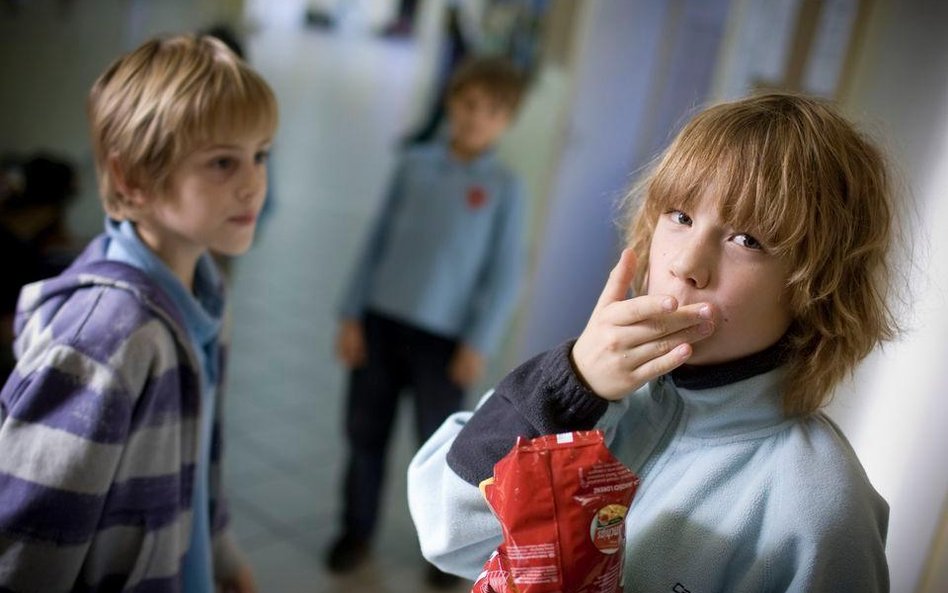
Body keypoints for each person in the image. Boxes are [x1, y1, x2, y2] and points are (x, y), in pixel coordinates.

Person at [408, 92, 897, 592]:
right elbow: (445, 534)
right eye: (680, 216)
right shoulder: (582, 392)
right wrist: (569, 389)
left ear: (818, 288)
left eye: (747, 240)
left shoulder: (819, 511)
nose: (686, 265)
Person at [0, 34, 277, 593]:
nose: (253, 183)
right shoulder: (109, 338)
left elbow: (199, 461)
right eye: (223, 162)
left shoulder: (202, 295)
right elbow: (25, 558)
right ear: (132, 179)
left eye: (260, 154)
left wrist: (221, 554)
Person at [327, 56, 529, 587]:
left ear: (506, 120)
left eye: (490, 110)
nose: (475, 117)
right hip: (381, 322)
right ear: (450, 103)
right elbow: (376, 242)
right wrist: (351, 314)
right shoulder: (414, 164)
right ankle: (355, 531)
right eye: (467, 104)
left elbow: (504, 276)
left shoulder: (505, 189)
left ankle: (445, 551)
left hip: (445, 344)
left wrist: (477, 342)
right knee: (364, 435)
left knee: (444, 450)